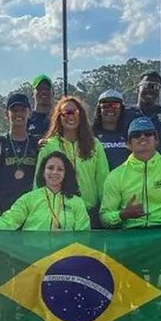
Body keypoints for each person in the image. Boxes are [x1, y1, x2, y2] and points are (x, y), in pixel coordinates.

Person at [100, 117, 161, 237]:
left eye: (148, 133)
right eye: (136, 134)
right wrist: (123, 215)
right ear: (128, 144)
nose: (142, 137)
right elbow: (104, 217)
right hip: (131, 236)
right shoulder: (116, 175)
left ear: (156, 140)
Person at [34, 96, 109, 227]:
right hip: (58, 214)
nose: (70, 116)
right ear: (59, 117)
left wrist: (106, 211)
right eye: (66, 113)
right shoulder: (49, 146)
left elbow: (103, 180)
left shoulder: (95, 145)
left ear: (81, 115)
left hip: (89, 213)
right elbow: (39, 182)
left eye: (75, 112)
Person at [0, 151, 89, 231]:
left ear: (66, 174)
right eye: (50, 168)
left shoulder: (77, 202)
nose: (55, 172)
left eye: (60, 169)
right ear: (43, 171)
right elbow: (9, 221)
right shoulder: (29, 198)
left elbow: (83, 235)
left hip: (64, 259)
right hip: (33, 257)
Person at [0, 93, 40, 212]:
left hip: (31, 211)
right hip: (4, 212)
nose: (18, 114)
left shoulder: (37, 144)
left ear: (29, 112)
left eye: (22, 110)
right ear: (6, 115)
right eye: (14, 110)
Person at [126, 70, 161, 156]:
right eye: (147, 85)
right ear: (137, 88)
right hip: (133, 167)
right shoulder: (125, 113)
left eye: (156, 87)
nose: (151, 90)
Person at [91, 89, 131, 171]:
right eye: (105, 106)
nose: (110, 109)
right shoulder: (90, 133)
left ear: (121, 109)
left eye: (115, 105)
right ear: (99, 110)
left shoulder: (129, 133)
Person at [27, 73, 54, 139]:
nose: (44, 92)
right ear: (32, 94)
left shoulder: (60, 118)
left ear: (53, 92)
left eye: (47, 89)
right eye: (39, 89)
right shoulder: (27, 120)